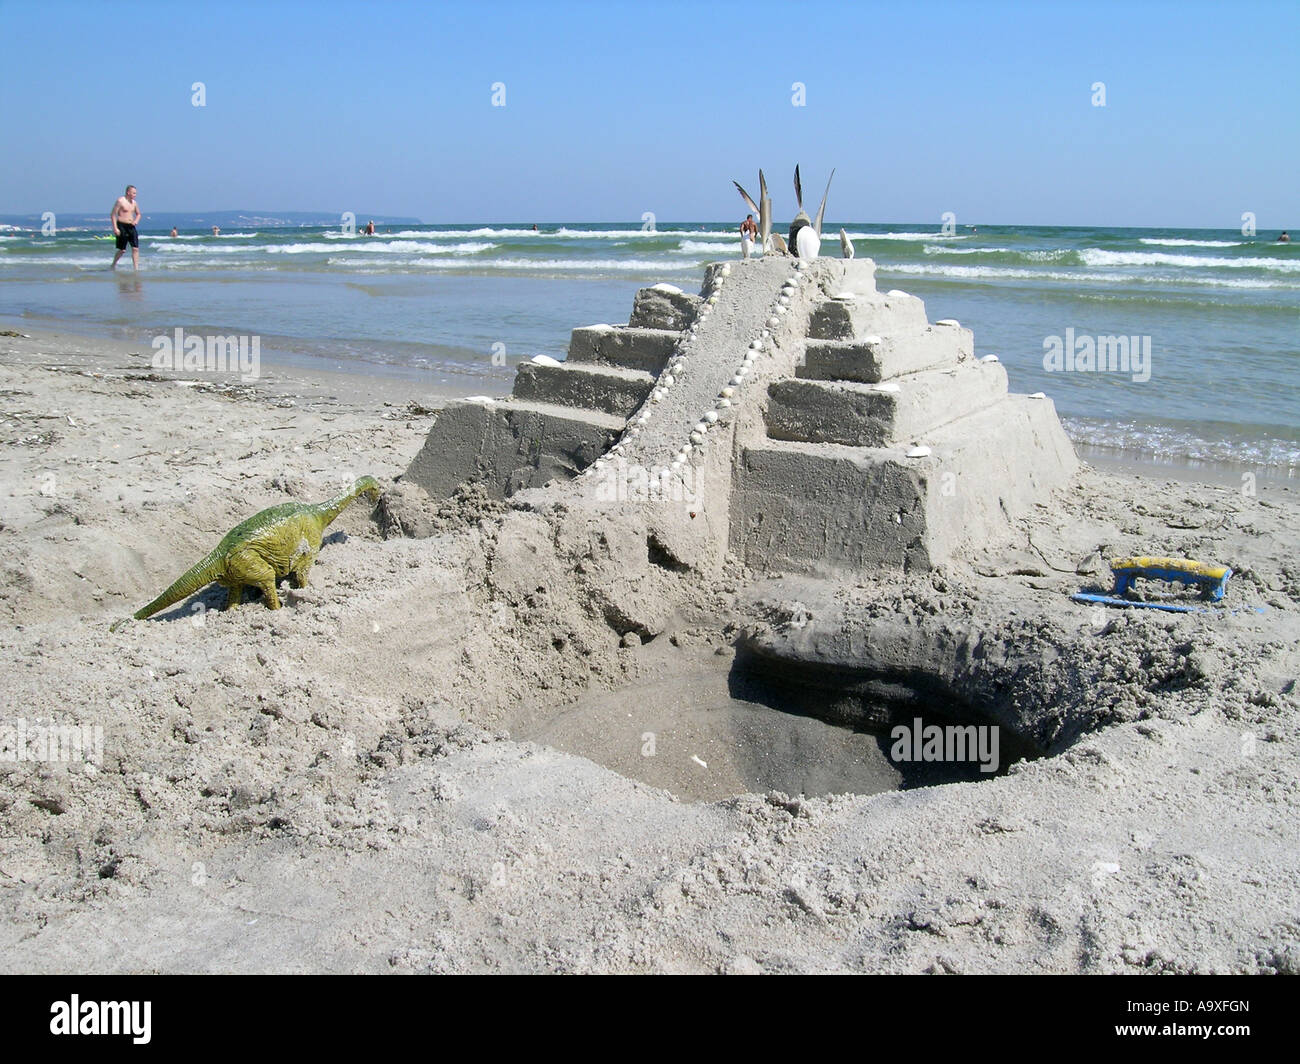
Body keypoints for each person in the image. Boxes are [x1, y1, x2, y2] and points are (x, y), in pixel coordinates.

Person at [110, 184, 141, 270]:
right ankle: (113, 265)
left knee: (135, 248)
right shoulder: (120, 201)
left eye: (135, 193)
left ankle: (136, 268)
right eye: (134, 193)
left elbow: (138, 214)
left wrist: (136, 221)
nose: (135, 195)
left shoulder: (134, 203)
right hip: (121, 225)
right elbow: (113, 214)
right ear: (128, 192)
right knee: (122, 250)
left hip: (131, 226)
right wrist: (115, 228)